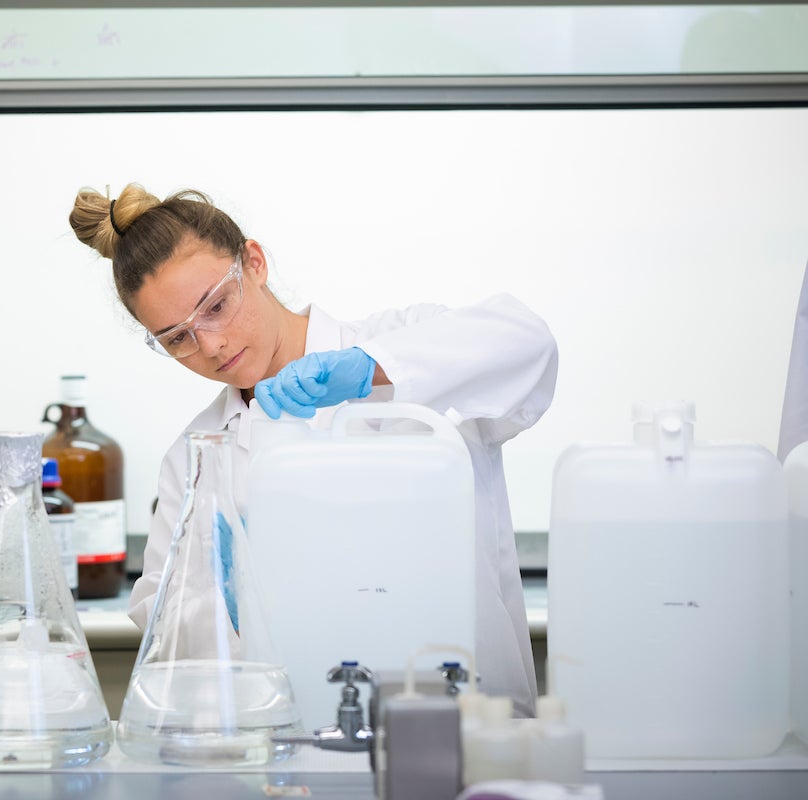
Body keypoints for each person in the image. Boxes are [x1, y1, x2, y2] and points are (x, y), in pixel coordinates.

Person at [69, 183, 558, 716]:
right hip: (299, 734)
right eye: (177, 338)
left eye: (216, 306)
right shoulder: (196, 454)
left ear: (253, 263)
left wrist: (369, 369)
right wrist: (235, 599)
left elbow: (527, 342)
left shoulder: (401, 343)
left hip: (468, 718)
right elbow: (160, 616)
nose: (211, 345)